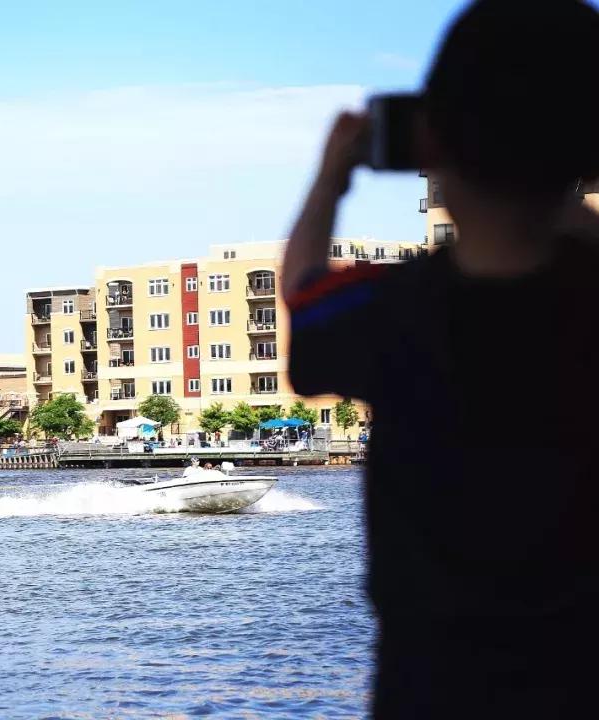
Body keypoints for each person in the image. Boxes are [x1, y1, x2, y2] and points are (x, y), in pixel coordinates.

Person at [282, 2, 599, 717]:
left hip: (432, 690)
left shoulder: (389, 312)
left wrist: (331, 178)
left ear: (432, 145)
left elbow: (302, 294)